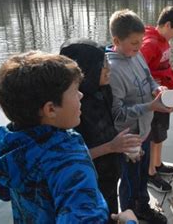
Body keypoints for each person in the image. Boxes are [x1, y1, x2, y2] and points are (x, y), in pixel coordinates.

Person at [0, 51, 138, 223]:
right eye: (75, 92)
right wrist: (129, 221)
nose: (81, 95)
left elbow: (4, 193)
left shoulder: (8, 143)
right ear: (50, 109)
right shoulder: (69, 158)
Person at [60, 38, 142, 223]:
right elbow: (69, 159)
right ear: (86, 70)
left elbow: (109, 128)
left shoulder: (103, 91)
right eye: (102, 64)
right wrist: (111, 147)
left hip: (110, 174)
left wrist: (125, 147)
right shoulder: (69, 111)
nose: (108, 68)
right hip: (90, 182)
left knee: (111, 210)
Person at [106, 9, 173, 224]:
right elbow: (117, 114)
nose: (139, 47)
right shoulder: (113, 70)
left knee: (142, 174)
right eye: (134, 43)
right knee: (128, 180)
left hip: (144, 131)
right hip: (128, 139)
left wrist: (157, 88)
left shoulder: (137, 54)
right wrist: (150, 106)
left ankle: (142, 207)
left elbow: (148, 78)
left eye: (140, 41)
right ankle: (129, 214)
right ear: (116, 40)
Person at [140, 6, 173, 193]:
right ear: (167, 25)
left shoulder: (162, 40)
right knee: (152, 134)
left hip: (163, 93)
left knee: (160, 133)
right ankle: (150, 173)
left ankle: (157, 164)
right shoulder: (150, 43)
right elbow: (140, 72)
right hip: (152, 97)